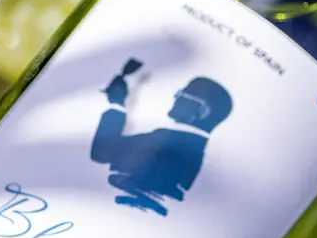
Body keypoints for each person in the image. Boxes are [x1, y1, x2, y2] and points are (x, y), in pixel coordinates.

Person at [90, 59, 233, 216]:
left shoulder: (168, 142)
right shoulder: (193, 149)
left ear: (201, 111)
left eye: (183, 95)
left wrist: (117, 104)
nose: (175, 97)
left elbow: (102, 152)